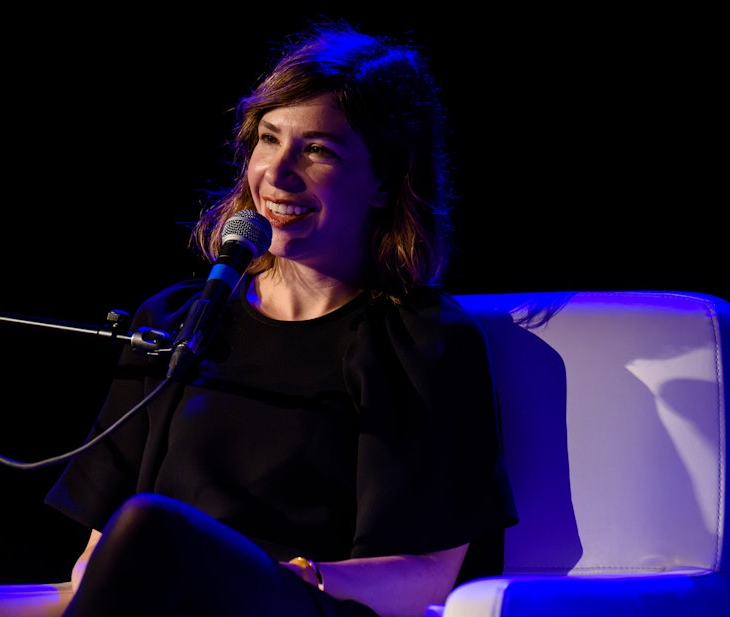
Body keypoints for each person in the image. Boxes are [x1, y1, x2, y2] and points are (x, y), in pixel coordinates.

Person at [44, 18, 518, 617]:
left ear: (383, 182)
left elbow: (427, 575)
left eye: (316, 149)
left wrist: (291, 578)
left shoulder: (420, 341)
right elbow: (92, 558)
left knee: (152, 525)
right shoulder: (174, 323)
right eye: (268, 139)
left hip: (302, 605)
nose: (277, 171)